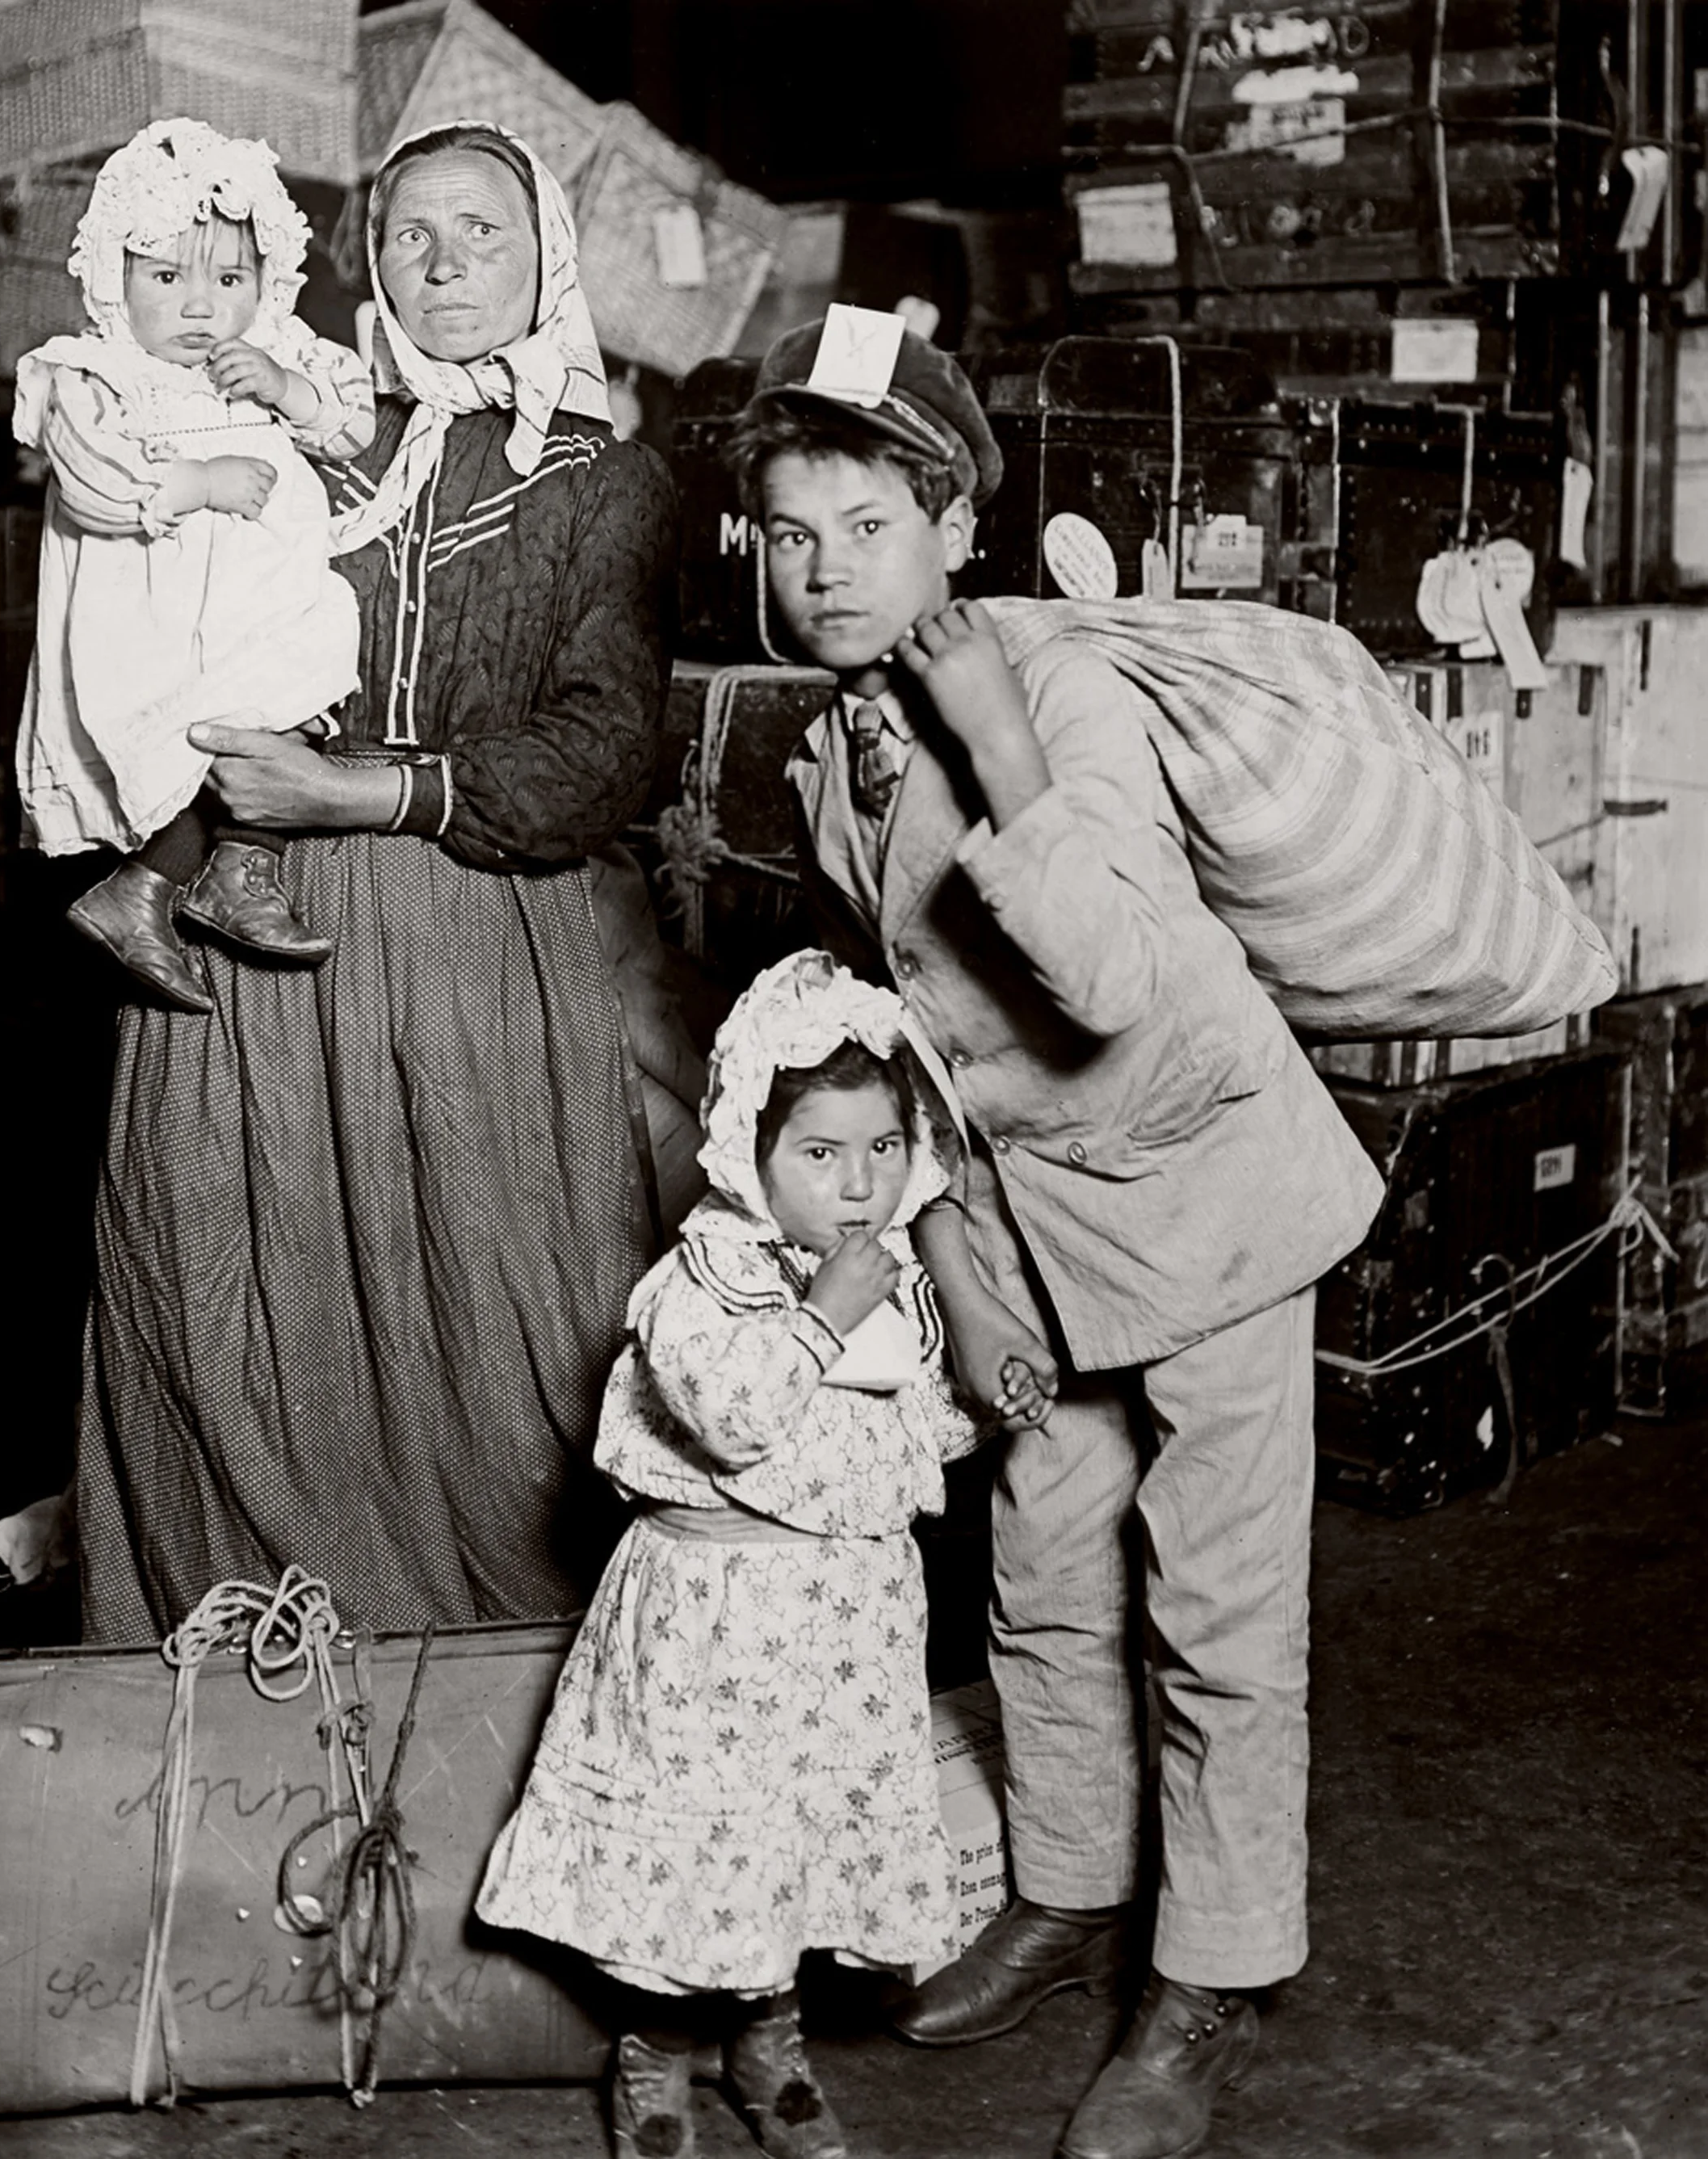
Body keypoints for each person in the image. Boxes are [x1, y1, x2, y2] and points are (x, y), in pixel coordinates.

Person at [723, 313, 1386, 2159]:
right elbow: (900, 1039)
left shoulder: (1062, 688)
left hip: (1205, 1194)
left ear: (954, 521)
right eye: (789, 530)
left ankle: (1217, 1973)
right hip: (1021, 1223)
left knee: (1217, 1611)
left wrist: (1003, 742)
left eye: (864, 519)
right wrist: (946, 1264)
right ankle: (1075, 1884)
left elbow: (1094, 969)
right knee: (1038, 1572)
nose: (825, 564)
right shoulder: (823, 746)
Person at [73, 120, 678, 1642]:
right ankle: (237, 1685)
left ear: (547, 254)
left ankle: (511, 1691)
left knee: (503, 1320)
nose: (446, 261)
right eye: (412, 235)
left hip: (472, 930)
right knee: (226, 1299)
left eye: (483, 229)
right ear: (368, 266)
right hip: (244, 927)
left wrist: (360, 785)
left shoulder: (607, 480)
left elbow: (604, 751)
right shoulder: (307, 434)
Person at [476, 949, 1045, 2159]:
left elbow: (896, 1441)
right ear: (751, 1150)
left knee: (791, 1841)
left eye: (884, 1149)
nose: (858, 1186)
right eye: (821, 1155)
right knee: (699, 1844)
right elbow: (735, 1414)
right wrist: (823, 1312)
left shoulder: (892, 1287)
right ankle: (653, 2046)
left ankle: (768, 2040)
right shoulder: (700, 1282)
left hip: (836, 1630)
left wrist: (982, 1397)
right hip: (711, 1625)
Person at [15, 117, 376, 1011]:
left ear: (267, 281)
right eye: (166, 277)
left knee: (297, 693)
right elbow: (93, 484)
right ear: (114, 277)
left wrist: (286, 390)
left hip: (264, 601)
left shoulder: (274, 351)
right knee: (198, 738)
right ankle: (153, 882)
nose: (199, 306)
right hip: (160, 613)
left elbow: (355, 424)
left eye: (229, 278)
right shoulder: (97, 373)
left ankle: (216, 874)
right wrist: (198, 479)